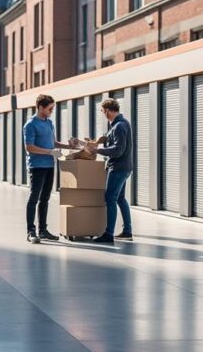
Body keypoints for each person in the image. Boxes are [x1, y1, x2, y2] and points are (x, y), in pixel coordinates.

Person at [23, 94, 75, 244]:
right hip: (37, 166)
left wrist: (69, 146)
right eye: (50, 108)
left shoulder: (49, 123)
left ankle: (43, 230)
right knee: (34, 198)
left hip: (49, 165)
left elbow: (53, 142)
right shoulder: (30, 124)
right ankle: (30, 232)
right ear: (40, 107)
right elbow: (29, 147)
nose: (52, 111)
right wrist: (49, 152)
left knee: (45, 198)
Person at [85, 98, 135, 244]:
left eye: (103, 112)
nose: (103, 115)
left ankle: (108, 234)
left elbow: (118, 150)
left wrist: (98, 150)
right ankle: (127, 231)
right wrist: (100, 141)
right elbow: (112, 139)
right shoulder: (120, 124)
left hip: (118, 168)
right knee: (119, 198)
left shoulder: (119, 126)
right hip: (124, 167)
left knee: (110, 198)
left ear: (107, 111)